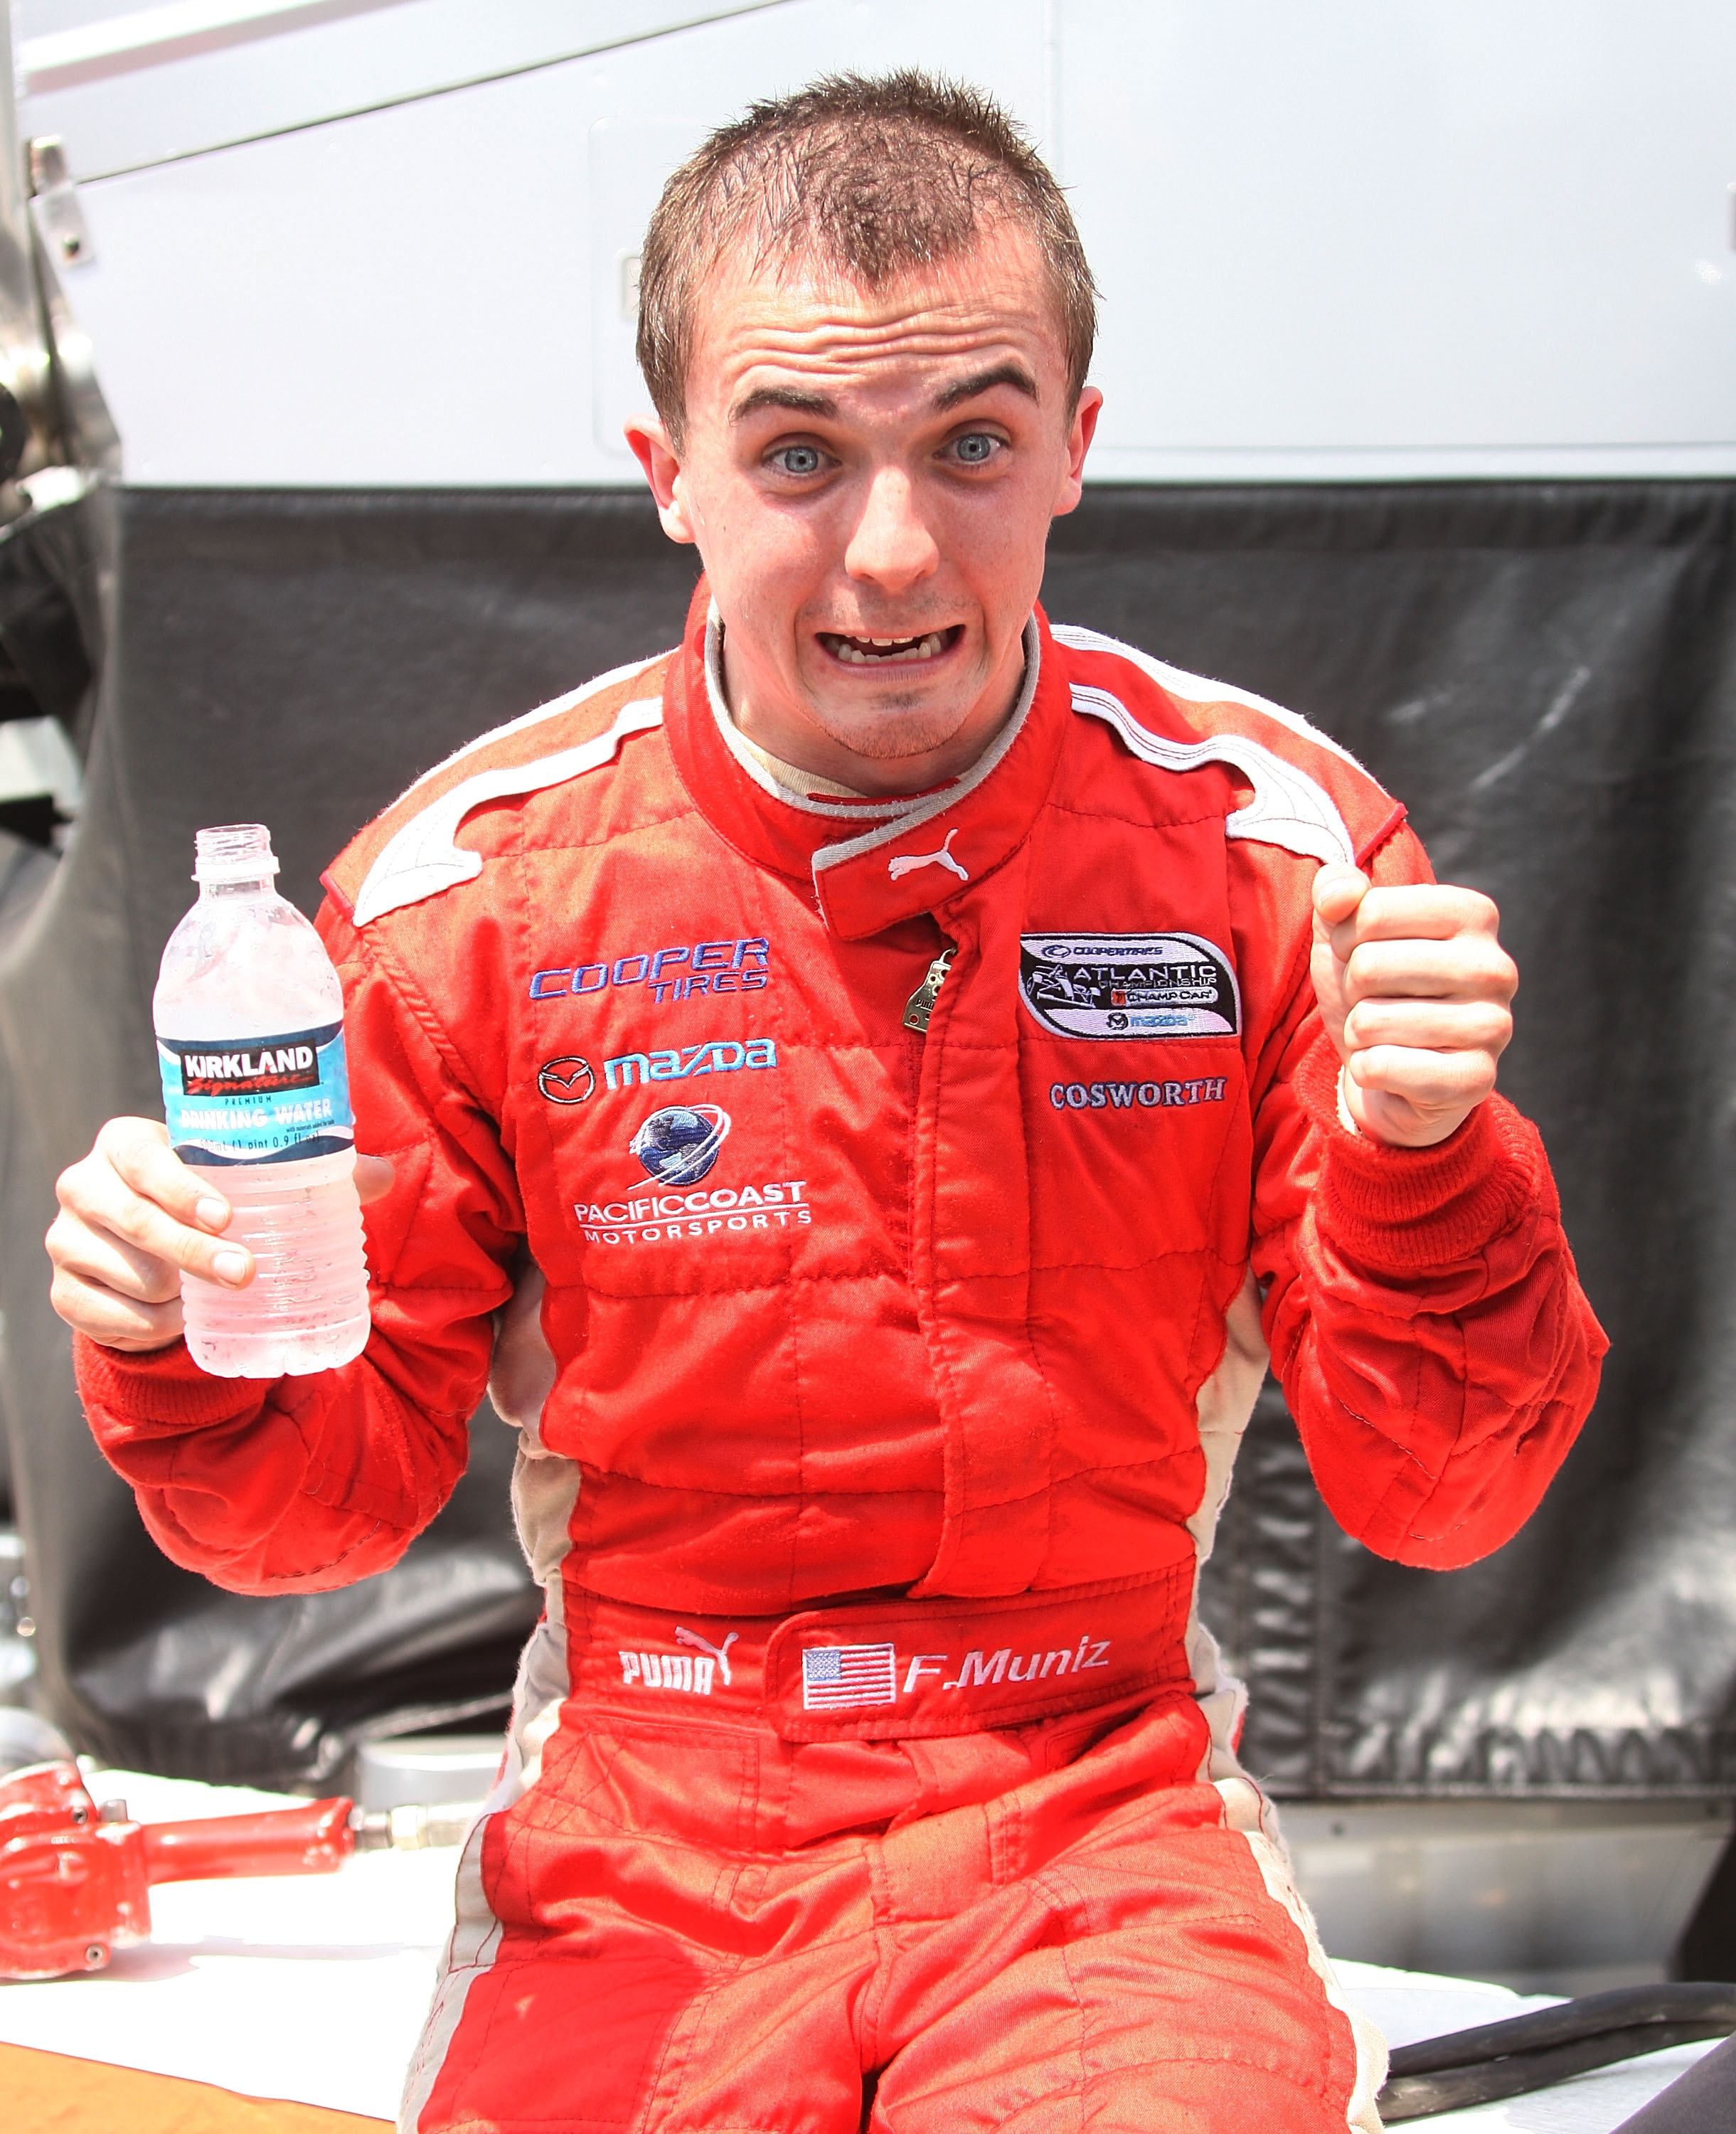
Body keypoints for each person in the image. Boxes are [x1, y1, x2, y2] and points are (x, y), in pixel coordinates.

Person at [46, 73, 1606, 2134]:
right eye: (798, 454)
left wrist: (1430, 1175)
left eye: (970, 441)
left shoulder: (1276, 857)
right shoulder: (466, 902)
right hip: (643, 1833)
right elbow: (305, 1517)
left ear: (1075, 450)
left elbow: (1445, 1499)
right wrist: (171, 1345)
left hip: (1091, 1809)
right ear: (666, 474)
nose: (890, 551)